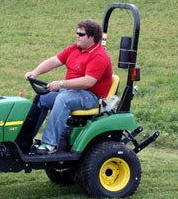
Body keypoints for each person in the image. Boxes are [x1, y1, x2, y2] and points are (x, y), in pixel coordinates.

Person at [24, 19, 113, 154]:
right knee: (43, 97)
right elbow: (54, 61)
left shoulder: (99, 56)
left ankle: (50, 144)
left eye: (81, 34)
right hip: (71, 91)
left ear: (92, 37)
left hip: (91, 96)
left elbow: (88, 82)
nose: (77, 36)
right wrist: (35, 72)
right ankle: (24, 140)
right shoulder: (75, 49)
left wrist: (61, 84)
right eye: (77, 33)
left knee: (63, 99)